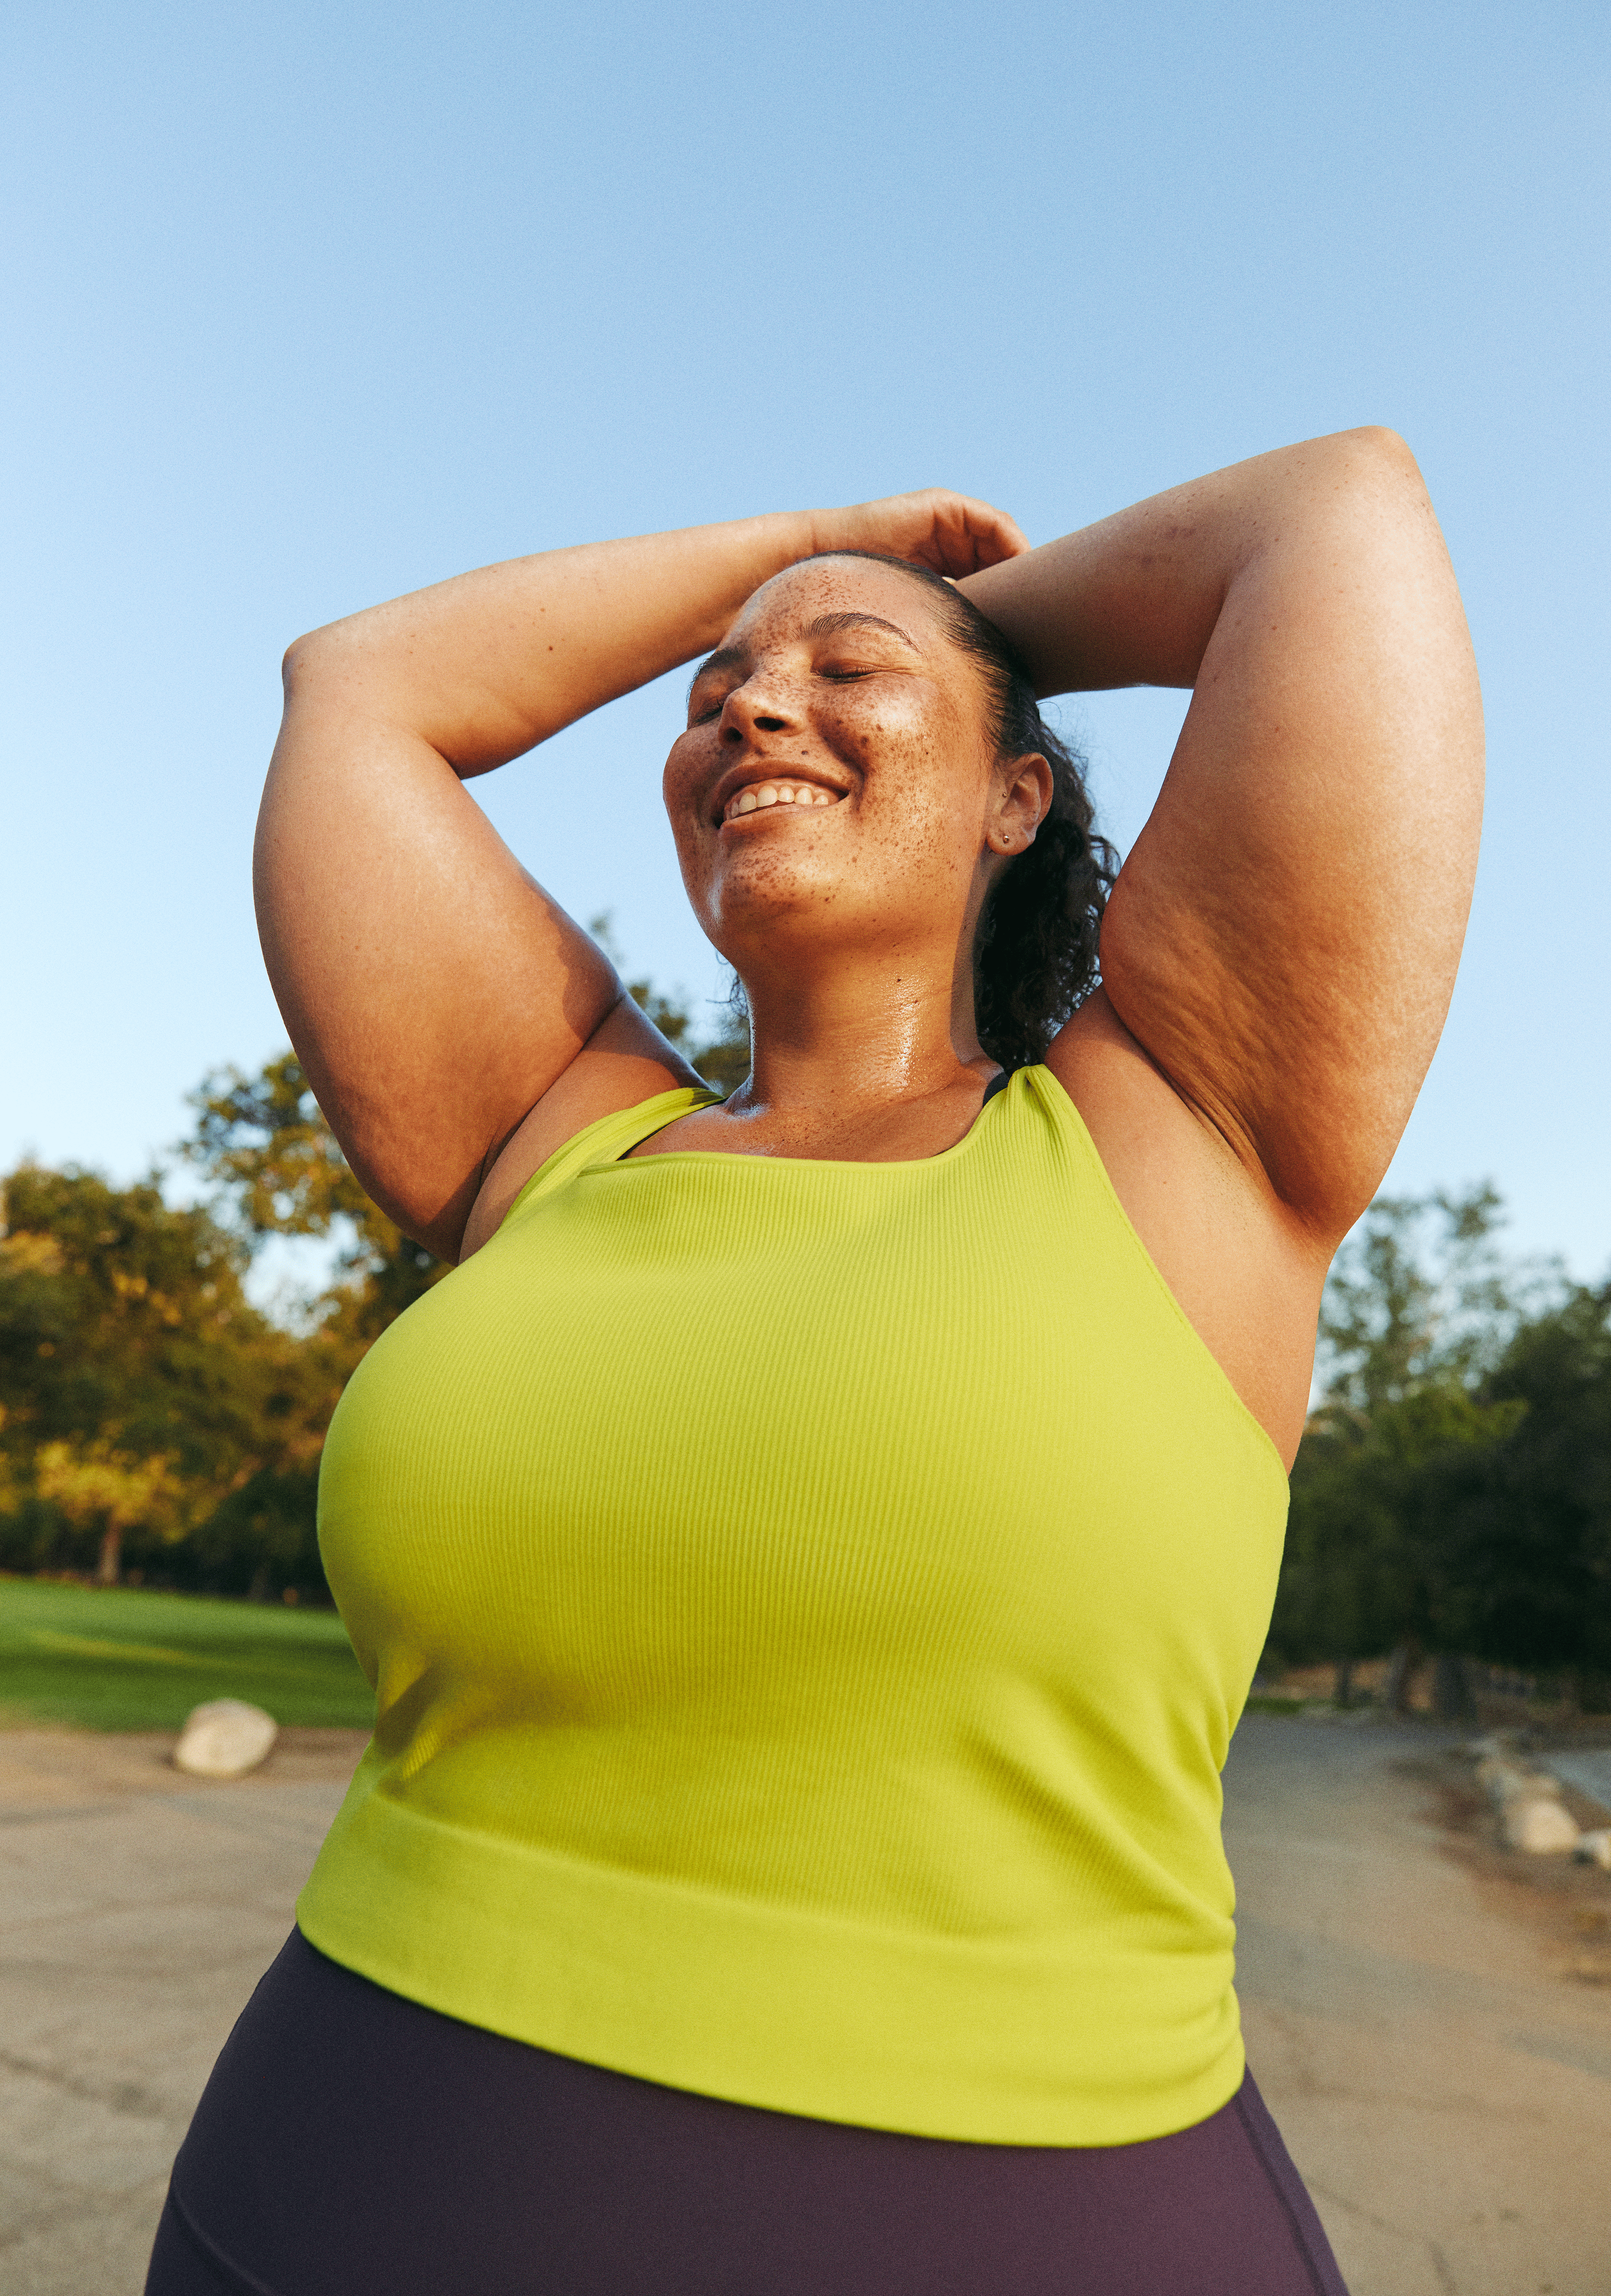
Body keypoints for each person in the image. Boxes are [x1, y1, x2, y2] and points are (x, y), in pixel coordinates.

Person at [146, 434, 1481, 2296]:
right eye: (716, 697)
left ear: (1019, 794)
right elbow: (359, 688)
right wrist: (812, 565)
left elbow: (1334, 516)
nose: (755, 704)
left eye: (845, 679)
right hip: (329, 2183)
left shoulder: (1188, 1134)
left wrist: (939, 608)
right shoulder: (547, 1137)